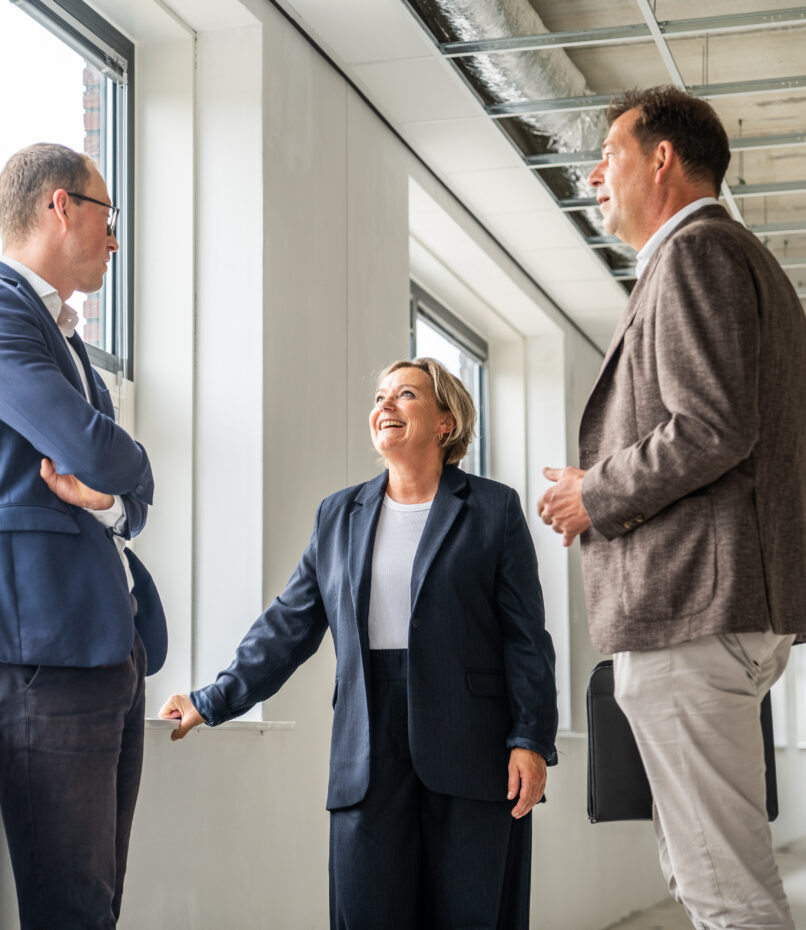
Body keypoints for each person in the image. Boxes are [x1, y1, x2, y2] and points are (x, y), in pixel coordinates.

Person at [161, 357, 558, 929]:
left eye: (406, 395)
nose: (385, 406)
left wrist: (531, 739)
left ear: (447, 422)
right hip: (368, 745)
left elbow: (527, 639)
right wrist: (212, 698)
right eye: (379, 397)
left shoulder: (492, 510)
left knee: (473, 912)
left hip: (473, 746)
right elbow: (289, 624)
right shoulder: (339, 515)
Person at [538, 86, 806, 929]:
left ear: (661, 159)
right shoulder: (736, 262)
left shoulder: (695, 255)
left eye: (608, 156)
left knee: (724, 891)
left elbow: (713, 425)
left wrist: (595, 491)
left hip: (693, 611)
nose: (591, 177)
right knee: (707, 875)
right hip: (723, 607)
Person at [0, 143, 166, 929]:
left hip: (103, 653)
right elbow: (103, 453)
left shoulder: (60, 333)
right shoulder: (2, 307)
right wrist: (125, 464)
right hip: (46, 654)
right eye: (108, 217)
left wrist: (112, 498)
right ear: (60, 206)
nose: (114, 240)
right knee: (70, 909)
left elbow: (128, 495)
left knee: (95, 903)